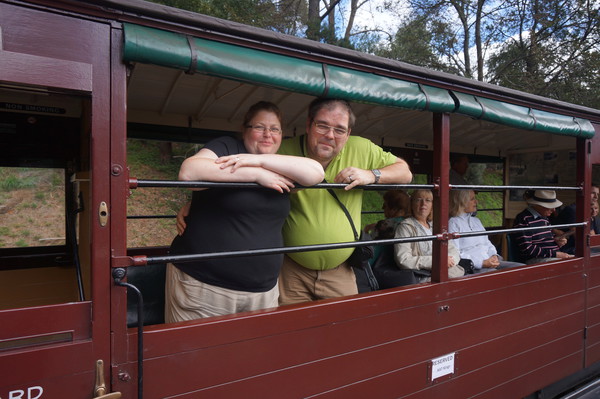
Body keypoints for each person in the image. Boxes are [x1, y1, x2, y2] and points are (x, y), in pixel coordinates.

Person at [165, 101, 324, 322]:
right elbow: (189, 174)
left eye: (275, 129)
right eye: (259, 127)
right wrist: (256, 175)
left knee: (249, 355)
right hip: (203, 286)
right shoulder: (227, 147)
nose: (268, 134)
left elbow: (316, 173)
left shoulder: (279, 160)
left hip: (262, 292)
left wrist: (257, 161)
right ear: (245, 129)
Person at [276, 98, 413, 305]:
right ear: (308, 124)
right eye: (322, 125)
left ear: (348, 134)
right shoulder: (283, 150)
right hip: (291, 272)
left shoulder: (361, 148)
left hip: (340, 271)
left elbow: (405, 172)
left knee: (344, 331)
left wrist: (371, 174)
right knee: (291, 332)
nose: (329, 135)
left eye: (339, 130)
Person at [394, 190, 464, 283]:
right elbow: (403, 260)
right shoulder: (405, 227)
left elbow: (452, 249)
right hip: (422, 276)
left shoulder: (436, 226)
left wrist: (450, 261)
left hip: (445, 270)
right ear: (411, 204)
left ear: (432, 205)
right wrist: (438, 261)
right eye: (419, 200)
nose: (423, 204)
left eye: (428, 200)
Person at [448, 190, 523, 272]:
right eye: (472, 199)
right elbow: (455, 252)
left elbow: (487, 242)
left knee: (522, 268)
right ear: (462, 202)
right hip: (473, 266)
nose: (476, 201)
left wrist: (494, 255)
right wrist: (481, 263)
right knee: (495, 275)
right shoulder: (453, 223)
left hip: (488, 261)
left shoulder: (476, 221)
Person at [512, 189, 573, 264]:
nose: (553, 210)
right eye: (550, 207)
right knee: (569, 264)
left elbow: (546, 239)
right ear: (539, 205)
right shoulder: (523, 219)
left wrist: (558, 241)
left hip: (552, 256)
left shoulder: (544, 218)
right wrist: (555, 254)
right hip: (536, 259)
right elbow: (527, 249)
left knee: (579, 260)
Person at [551, 185, 599, 254]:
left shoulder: (586, 211)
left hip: (578, 247)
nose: (596, 197)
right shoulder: (573, 210)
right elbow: (581, 238)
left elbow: (592, 237)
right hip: (566, 249)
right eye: (593, 193)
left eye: (597, 194)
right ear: (584, 193)